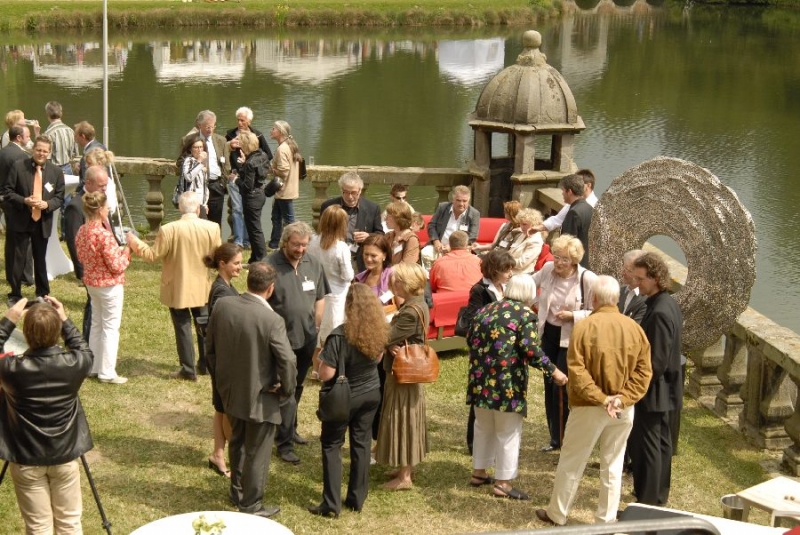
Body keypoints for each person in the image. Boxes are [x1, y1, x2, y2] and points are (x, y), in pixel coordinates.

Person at [535, 276, 652, 526]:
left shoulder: (585, 327)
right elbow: (644, 373)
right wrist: (622, 399)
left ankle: (558, 513)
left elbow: (576, 371)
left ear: (594, 298)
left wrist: (602, 398)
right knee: (614, 463)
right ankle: (606, 520)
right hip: (622, 408)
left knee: (572, 460)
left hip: (590, 406)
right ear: (616, 299)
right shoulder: (635, 329)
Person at [206, 262, 297, 519]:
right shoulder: (272, 320)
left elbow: (209, 347)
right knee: (257, 451)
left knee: (237, 442)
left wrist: (220, 380)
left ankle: (237, 492)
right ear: (271, 288)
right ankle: (251, 504)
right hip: (261, 397)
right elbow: (288, 360)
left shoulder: (223, 305)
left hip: (230, 391)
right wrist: (286, 390)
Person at [466, 275, 566, 500]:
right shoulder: (524, 315)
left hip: (480, 379)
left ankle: (479, 472)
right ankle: (503, 483)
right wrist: (554, 371)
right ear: (529, 293)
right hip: (507, 384)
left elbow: (470, 339)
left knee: (483, 426)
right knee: (508, 432)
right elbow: (531, 350)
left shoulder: (486, 309)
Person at [0, 296, 93, 534]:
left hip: (27, 457)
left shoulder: (12, 369)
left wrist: (10, 319)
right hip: (65, 454)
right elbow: (83, 349)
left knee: (38, 526)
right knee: (70, 523)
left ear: (26, 334)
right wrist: (64, 319)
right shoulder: (75, 364)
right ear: (57, 333)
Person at [308, 283, 388, 518]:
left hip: (343, 398)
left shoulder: (339, 335)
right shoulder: (379, 331)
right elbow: (378, 358)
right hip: (371, 393)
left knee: (332, 445)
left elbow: (327, 374)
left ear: (349, 306)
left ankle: (331, 504)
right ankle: (356, 499)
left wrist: (320, 364)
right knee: (361, 444)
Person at [126, 191, 221, 381]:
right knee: (204, 323)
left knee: (182, 325)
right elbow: (217, 257)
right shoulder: (213, 227)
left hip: (178, 286)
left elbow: (152, 256)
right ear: (198, 209)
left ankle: (188, 369)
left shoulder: (169, 229)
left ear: (179, 208)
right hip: (202, 284)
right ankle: (206, 365)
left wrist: (135, 243)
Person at [266, 222, 330, 464]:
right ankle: (283, 444)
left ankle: (290, 428)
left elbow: (320, 297)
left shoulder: (313, 263)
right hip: (280, 340)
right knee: (285, 389)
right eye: (296, 245)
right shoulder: (270, 265)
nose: (300, 249)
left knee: (298, 385)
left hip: (307, 338)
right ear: (285, 242)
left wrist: (316, 325)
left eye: (304, 245)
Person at [533, 234, 597, 452]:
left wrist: (573, 315)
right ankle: (554, 436)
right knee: (548, 383)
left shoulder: (587, 279)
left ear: (575, 261)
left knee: (561, 387)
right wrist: (535, 304)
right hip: (548, 334)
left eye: (564, 260)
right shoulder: (547, 269)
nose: (558, 263)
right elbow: (529, 286)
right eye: (557, 257)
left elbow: (597, 311)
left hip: (570, 338)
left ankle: (563, 438)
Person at [628, 252, 683, 506]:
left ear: (655, 278)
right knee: (661, 444)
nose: (637, 283)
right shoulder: (666, 302)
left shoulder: (660, 311)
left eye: (641, 279)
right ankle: (658, 496)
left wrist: (636, 386)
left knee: (648, 446)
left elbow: (656, 362)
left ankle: (647, 501)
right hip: (665, 389)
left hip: (654, 390)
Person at [376, 262, 430, 491]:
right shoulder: (417, 303)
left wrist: (388, 342)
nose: (392, 283)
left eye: (396, 280)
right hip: (408, 373)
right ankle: (405, 468)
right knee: (406, 418)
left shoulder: (409, 312)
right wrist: (390, 344)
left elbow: (384, 336)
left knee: (404, 419)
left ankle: (404, 477)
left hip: (403, 375)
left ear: (406, 283)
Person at [462, 248, 516, 454]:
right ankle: (473, 442)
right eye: (506, 270)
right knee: (480, 397)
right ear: (495, 270)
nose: (510, 274)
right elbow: (474, 319)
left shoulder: (506, 287)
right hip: (485, 352)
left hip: (503, 351)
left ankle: (490, 441)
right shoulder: (479, 290)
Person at [75, 190, 132, 384]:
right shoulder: (104, 235)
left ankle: (93, 366)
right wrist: (128, 251)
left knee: (97, 323)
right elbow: (117, 265)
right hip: (109, 285)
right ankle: (107, 371)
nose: (108, 210)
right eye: (107, 207)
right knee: (110, 327)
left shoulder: (82, 231)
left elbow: (81, 256)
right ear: (100, 210)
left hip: (92, 282)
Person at [3, 135, 65, 305]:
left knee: (40, 258)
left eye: (45, 151)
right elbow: (8, 191)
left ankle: (43, 293)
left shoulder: (56, 172)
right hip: (21, 220)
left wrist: (47, 204)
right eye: (38, 150)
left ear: (49, 152)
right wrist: (24, 200)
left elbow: (59, 197)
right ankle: (15, 294)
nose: (41, 153)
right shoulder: (18, 166)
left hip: (42, 222)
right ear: (33, 149)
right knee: (18, 260)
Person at [201, 243, 243, 478]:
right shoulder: (222, 292)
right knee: (227, 409)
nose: (240, 267)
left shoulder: (224, 286)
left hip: (219, 356)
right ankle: (234, 460)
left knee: (220, 407)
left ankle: (218, 454)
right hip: (223, 359)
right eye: (236, 263)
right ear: (222, 264)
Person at [307, 205, 354, 380]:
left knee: (319, 331)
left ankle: (315, 368)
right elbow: (348, 275)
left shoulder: (312, 242)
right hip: (337, 294)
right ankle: (331, 368)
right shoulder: (341, 247)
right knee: (333, 332)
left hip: (318, 292)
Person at [226, 106, 272, 249]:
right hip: (235, 175)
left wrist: (252, 164)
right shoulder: (230, 134)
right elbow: (223, 153)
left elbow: (267, 155)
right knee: (237, 209)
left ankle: (247, 240)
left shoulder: (257, 135)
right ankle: (239, 241)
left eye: (243, 120)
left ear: (249, 121)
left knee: (248, 209)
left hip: (250, 178)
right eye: (238, 120)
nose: (240, 123)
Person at [320, 172, 383, 272]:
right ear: (341, 190)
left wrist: (368, 236)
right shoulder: (328, 206)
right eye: (346, 192)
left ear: (360, 190)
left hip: (360, 260)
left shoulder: (373, 208)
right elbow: (322, 232)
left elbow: (380, 234)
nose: (350, 197)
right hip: (334, 259)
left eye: (353, 193)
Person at [0, 125, 34, 288]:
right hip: (17, 202)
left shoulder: (2, 152)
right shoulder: (20, 156)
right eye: (27, 136)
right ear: (19, 138)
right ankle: (25, 276)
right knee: (24, 240)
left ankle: (11, 274)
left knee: (11, 240)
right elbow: (24, 181)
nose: (29, 139)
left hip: (5, 200)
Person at [185, 110, 231, 227]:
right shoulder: (190, 140)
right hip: (197, 188)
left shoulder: (221, 140)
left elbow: (226, 165)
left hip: (216, 186)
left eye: (213, 126)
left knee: (215, 224)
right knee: (198, 223)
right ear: (199, 125)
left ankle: (215, 240)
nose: (210, 130)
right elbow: (181, 162)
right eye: (207, 127)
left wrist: (222, 184)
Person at [423, 185, 480, 268]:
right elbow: (431, 225)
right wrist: (436, 241)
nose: (461, 204)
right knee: (425, 253)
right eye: (458, 200)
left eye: (464, 201)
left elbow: (472, 236)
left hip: (459, 249)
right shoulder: (442, 207)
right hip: (439, 247)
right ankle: (429, 275)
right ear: (453, 199)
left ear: (469, 200)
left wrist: (452, 247)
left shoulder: (474, 214)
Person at [235, 131, 270, 263]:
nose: (239, 146)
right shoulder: (263, 155)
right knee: (252, 228)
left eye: (241, 144)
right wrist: (244, 164)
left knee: (254, 229)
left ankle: (262, 258)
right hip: (260, 194)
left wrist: (235, 180)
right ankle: (255, 257)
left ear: (246, 145)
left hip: (251, 197)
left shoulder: (250, 162)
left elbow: (247, 186)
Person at [268, 120, 301, 250]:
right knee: (276, 217)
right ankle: (274, 243)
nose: (271, 131)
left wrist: (272, 170)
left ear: (280, 132)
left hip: (284, 190)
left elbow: (284, 171)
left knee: (289, 221)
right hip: (287, 189)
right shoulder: (289, 145)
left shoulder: (282, 149)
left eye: (273, 128)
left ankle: (296, 243)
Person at [541, 169, 598, 233]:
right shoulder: (574, 200)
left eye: (580, 183)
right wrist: (539, 227)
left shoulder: (595, 206)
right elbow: (558, 219)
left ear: (588, 185)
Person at [559, 173, 594, 268]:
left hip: (575, 264)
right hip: (586, 261)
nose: (562, 193)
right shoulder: (589, 207)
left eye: (563, 190)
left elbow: (568, 243)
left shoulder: (573, 212)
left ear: (569, 191)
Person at [177, 133, 209, 218]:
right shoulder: (188, 161)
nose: (199, 150)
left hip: (200, 203)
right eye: (196, 147)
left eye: (201, 147)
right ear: (190, 149)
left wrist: (205, 203)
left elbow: (204, 185)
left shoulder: (202, 162)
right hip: (190, 204)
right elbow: (188, 177)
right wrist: (199, 161)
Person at [43, 101, 77, 175]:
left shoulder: (48, 134)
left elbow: (46, 158)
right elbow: (75, 154)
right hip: (68, 169)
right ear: (61, 113)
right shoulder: (71, 131)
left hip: (54, 170)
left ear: (47, 114)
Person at [508, 208, 544, 275]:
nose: (521, 227)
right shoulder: (523, 234)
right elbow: (511, 252)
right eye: (520, 224)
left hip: (520, 275)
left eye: (524, 224)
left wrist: (502, 261)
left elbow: (521, 263)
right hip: (508, 270)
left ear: (534, 224)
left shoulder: (536, 241)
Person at [73, 120, 105, 194]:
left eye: (76, 136)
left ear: (83, 136)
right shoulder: (101, 147)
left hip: (93, 194)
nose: (75, 139)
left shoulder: (89, 154)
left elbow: (86, 180)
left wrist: (75, 192)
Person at [384, 200, 420, 265]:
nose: (385, 219)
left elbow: (407, 266)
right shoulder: (388, 236)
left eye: (388, 217)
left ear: (398, 219)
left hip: (401, 271)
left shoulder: (411, 240)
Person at [619, 249, 648, 323]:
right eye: (624, 268)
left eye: (628, 270)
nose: (622, 273)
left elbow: (635, 327)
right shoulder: (620, 291)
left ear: (640, 273)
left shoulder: (647, 300)